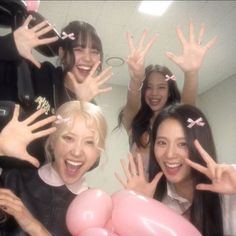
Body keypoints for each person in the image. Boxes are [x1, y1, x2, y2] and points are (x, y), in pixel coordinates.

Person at [0, 14, 112, 167]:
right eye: (79, 49)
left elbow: (91, 161)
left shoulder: (90, 106)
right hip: (11, 177)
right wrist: (8, 46)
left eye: (94, 52)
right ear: (62, 53)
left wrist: (80, 105)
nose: (88, 58)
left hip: (49, 184)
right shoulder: (37, 73)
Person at [116, 104, 236, 236]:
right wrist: (142, 208)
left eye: (182, 144)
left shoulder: (230, 184)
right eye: (162, 142)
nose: (170, 154)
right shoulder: (156, 198)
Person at [117, 21, 217, 178]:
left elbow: (187, 105)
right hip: (138, 198)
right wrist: (136, 80)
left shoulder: (177, 120)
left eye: (161, 87)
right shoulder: (134, 121)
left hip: (172, 198)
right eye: (148, 87)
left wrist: (191, 73)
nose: (154, 93)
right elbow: (131, 104)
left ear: (170, 91)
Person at [0, 100, 107, 235]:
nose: (77, 152)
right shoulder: (13, 179)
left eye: (89, 142)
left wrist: (33, 226)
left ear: (98, 152)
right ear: (52, 142)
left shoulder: (97, 209)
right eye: (68, 138)